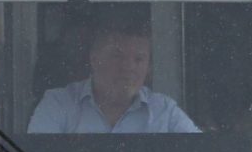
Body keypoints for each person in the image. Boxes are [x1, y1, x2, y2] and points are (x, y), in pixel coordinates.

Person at [28, 7, 200, 135]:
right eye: (117, 56)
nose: (129, 67)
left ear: (148, 68)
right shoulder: (58, 104)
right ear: (94, 59)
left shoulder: (165, 112)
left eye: (138, 59)